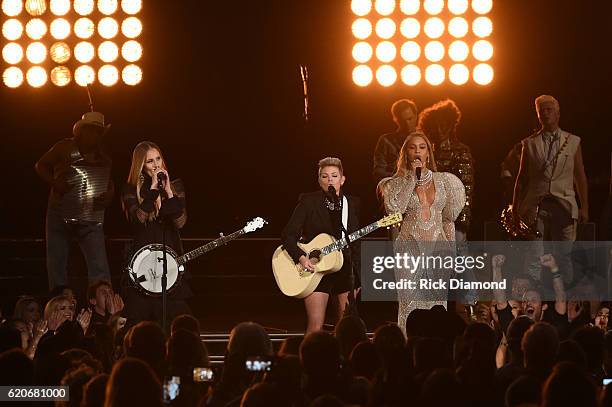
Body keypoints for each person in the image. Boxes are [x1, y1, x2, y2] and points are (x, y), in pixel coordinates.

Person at [378, 132, 465, 334]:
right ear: (406, 153)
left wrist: (451, 253)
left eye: (422, 147)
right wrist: (411, 179)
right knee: (410, 305)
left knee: (436, 305)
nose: (417, 150)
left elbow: (448, 220)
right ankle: (409, 352)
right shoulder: (395, 184)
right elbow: (395, 211)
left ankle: (436, 351)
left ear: (428, 153)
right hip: (409, 250)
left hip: (438, 251)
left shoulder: (444, 182)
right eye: (412, 147)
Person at [512, 95, 589, 282]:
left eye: (549, 110)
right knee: (533, 256)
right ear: (537, 116)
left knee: (564, 256)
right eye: (541, 111)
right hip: (536, 204)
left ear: (558, 113)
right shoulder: (529, 144)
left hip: (564, 203)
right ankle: (531, 298)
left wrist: (584, 206)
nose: (545, 114)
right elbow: (521, 178)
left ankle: (564, 302)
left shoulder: (572, 142)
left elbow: (580, 176)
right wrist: (515, 207)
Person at [35, 111, 113, 291]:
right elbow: (40, 165)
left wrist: (109, 195)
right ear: (81, 130)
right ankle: (59, 306)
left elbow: (108, 182)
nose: (94, 134)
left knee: (99, 265)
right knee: (57, 262)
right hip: (60, 211)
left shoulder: (104, 156)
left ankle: (103, 305)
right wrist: (54, 182)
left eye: (98, 131)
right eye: (91, 129)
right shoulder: (64, 147)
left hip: (90, 215)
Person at [281, 157, 361, 333]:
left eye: (334, 175)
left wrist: (358, 273)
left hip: (345, 269)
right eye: (324, 176)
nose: (330, 180)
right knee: (316, 325)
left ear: (342, 179)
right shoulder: (308, 202)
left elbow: (356, 242)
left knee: (345, 326)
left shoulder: (352, 204)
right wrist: (301, 258)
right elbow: (288, 235)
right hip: (316, 270)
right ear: (319, 180)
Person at [120, 141, 191, 329]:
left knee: (177, 320)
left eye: (158, 158)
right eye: (150, 161)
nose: (156, 164)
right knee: (140, 320)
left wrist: (168, 192)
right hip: (144, 259)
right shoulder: (132, 188)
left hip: (170, 258)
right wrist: (152, 192)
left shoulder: (175, 186)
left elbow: (181, 222)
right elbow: (138, 220)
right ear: (141, 165)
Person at [372, 99, 418, 183]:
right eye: (403, 121)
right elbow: (378, 172)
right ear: (396, 120)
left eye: (410, 119)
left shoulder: (425, 140)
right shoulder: (386, 141)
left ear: (416, 116)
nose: (407, 124)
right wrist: (399, 177)